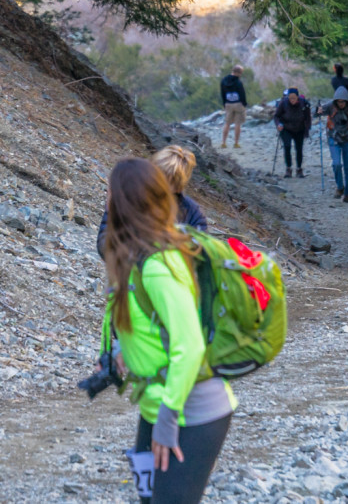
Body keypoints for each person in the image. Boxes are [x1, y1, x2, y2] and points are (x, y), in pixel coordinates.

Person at [100, 158, 236, 504]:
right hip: (157, 405)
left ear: (126, 203)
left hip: (189, 412)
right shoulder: (135, 254)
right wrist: (121, 351)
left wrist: (168, 417)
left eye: (110, 194)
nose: (106, 200)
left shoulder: (159, 263)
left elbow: (189, 346)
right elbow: (142, 319)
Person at [96, 146, 207, 258]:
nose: (155, 184)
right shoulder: (131, 195)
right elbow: (106, 248)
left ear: (178, 187)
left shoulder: (193, 215)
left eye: (163, 182)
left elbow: (199, 260)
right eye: (153, 176)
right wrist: (111, 210)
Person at [273, 88, 312, 178]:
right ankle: (288, 168)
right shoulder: (283, 103)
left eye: (294, 98)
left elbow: (308, 117)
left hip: (299, 128)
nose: (292, 100)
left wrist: (307, 129)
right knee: (287, 146)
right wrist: (278, 124)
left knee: (299, 148)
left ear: (297, 97)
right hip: (286, 128)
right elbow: (276, 116)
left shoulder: (304, 103)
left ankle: (299, 169)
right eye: (290, 98)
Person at [219, 66, 247, 149]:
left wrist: (224, 104)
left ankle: (223, 143)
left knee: (227, 123)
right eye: (241, 73)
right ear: (238, 73)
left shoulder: (223, 81)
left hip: (228, 103)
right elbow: (242, 94)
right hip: (238, 103)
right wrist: (244, 104)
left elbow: (222, 93)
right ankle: (236, 143)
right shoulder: (238, 82)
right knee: (237, 123)